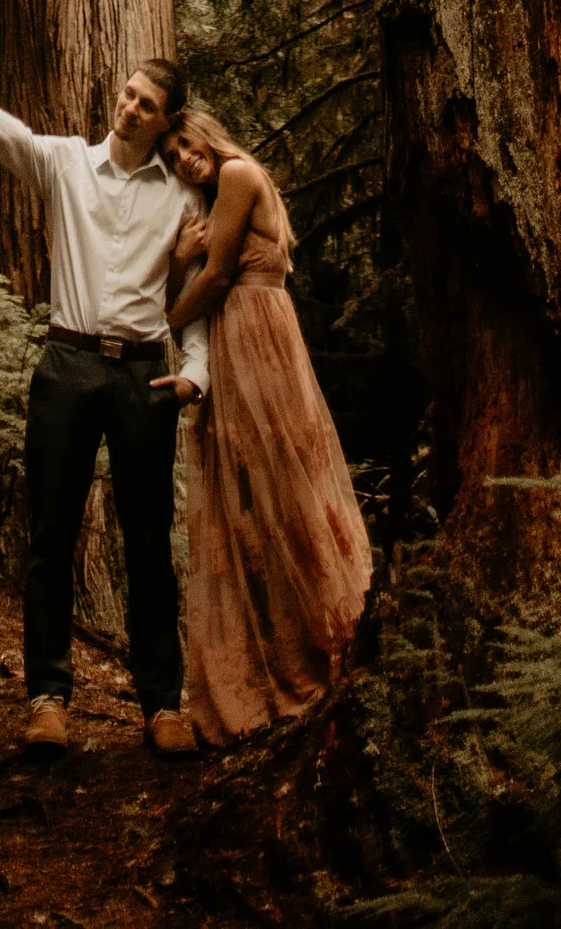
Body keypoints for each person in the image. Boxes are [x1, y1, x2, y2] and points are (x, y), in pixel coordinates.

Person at [0, 54, 205, 753]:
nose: (129, 109)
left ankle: (163, 707)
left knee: (149, 543)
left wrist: (197, 373)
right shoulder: (67, 163)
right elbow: (9, 138)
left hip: (143, 377)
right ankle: (47, 700)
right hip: (66, 365)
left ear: (166, 122)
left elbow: (195, 299)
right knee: (51, 537)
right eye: (128, 95)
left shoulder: (184, 199)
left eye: (146, 105)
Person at [163, 107, 373, 743]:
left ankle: (318, 645)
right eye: (172, 156)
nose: (183, 159)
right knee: (261, 490)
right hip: (252, 334)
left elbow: (218, 275)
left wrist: (160, 323)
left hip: (254, 335)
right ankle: (280, 651)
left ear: (208, 134)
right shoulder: (229, 185)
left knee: (279, 484)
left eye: (186, 143)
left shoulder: (236, 174)